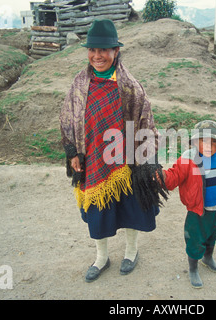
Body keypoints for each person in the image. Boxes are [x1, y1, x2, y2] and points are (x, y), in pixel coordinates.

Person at [60, 20, 165, 283]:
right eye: (93, 49)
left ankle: (131, 252)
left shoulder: (130, 86)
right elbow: (68, 117)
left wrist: (147, 161)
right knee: (97, 211)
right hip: (93, 158)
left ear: (116, 51)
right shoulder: (80, 84)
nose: (98, 56)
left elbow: (146, 123)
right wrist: (73, 151)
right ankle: (101, 258)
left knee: (130, 208)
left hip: (127, 161)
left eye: (105, 50)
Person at [159, 120, 216, 288]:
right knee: (195, 240)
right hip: (197, 212)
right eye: (204, 141)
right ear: (194, 141)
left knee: (213, 235)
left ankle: (208, 258)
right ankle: (193, 268)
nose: (209, 146)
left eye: (214, 142)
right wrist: (159, 175)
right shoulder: (188, 159)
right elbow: (172, 179)